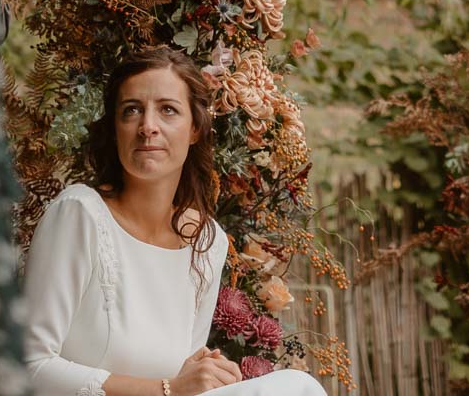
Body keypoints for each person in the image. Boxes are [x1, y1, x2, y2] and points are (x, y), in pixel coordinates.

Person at [22, 47, 327, 396]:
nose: (147, 127)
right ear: (115, 128)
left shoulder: (207, 240)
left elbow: (185, 379)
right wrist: (168, 388)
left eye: (168, 110)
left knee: (294, 388)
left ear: (195, 129)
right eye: (131, 110)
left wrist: (206, 374)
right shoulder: (79, 213)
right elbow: (30, 365)